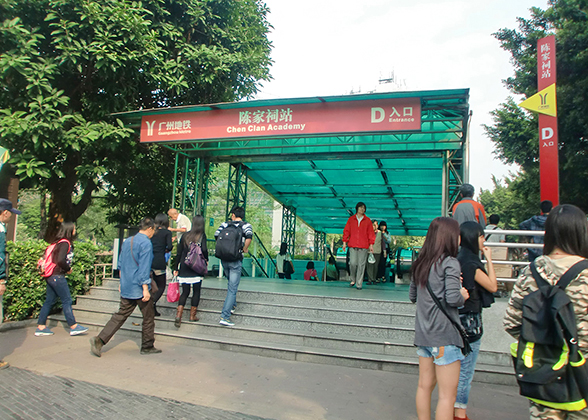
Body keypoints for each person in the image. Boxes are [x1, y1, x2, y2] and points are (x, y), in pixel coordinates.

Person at [504, 204, 588, 420]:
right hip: (583, 376)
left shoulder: (530, 273)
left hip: (543, 376)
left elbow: (511, 323)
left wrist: (542, 342)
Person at [409, 217, 469, 420]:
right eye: (457, 234)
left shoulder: (420, 263)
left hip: (423, 336)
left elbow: (413, 296)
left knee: (424, 387)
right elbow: (453, 299)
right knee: (447, 396)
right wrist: (463, 294)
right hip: (444, 338)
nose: (459, 238)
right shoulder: (450, 263)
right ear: (449, 237)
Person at [90, 217, 161, 357]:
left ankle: (100, 339)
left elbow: (120, 264)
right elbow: (144, 268)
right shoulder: (146, 243)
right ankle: (147, 346)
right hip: (139, 287)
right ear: (150, 228)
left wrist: (121, 283)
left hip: (127, 284)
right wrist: (145, 288)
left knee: (121, 314)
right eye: (154, 229)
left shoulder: (128, 241)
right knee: (148, 317)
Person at [454, 221, 498, 420]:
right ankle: (460, 412)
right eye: (481, 236)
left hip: (455, 317)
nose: (484, 239)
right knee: (466, 371)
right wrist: (489, 259)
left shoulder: (456, 259)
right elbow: (492, 286)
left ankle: (451, 407)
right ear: (473, 238)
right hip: (470, 322)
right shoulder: (472, 263)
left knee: (454, 368)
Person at [35, 222, 89, 337]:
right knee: (67, 300)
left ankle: (41, 326)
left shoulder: (57, 243)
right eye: (74, 228)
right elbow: (60, 260)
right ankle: (73, 326)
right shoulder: (65, 243)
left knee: (49, 301)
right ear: (70, 230)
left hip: (50, 275)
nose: (75, 230)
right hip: (57, 275)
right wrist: (68, 269)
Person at [215, 206, 253, 327]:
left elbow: (217, 236)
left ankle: (232, 304)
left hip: (224, 259)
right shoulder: (246, 225)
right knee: (232, 288)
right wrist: (244, 248)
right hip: (236, 259)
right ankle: (225, 316)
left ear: (233, 215)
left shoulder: (225, 224)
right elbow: (249, 237)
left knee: (231, 284)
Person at [172, 215, 208, 327]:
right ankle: (192, 316)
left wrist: (175, 267)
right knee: (196, 291)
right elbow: (205, 250)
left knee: (185, 292)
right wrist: (206, 260)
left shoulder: (185, 236)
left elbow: (179, 253)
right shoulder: (201, 236)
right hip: (196, 266)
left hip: (184, 266)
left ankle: (179, 315)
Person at [0, 198, 20, 369]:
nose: (11, 217)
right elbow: (0, 257)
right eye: (10, 214)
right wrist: (1, 279)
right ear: (5, 212)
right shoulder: (0, 230)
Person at [342, 202, 375, 290]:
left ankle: (359, 283)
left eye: (364, 208)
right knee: (352, 263)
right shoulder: (351, 219)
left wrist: (371, 245)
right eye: (360, 208)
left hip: (363, 246)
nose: (362, 209)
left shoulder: (367, 220)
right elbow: (346, 231)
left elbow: (371, 233)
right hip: (352, 245)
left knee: (361, 265)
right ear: (357, 208)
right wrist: (344, 242)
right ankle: (353, 279)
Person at [150, 213, 172, 317]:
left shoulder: (152, 232)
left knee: (152, 285)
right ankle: (151, 303)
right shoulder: (167, 232)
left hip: (149, 260)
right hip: (159, 261)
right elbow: (170, 246)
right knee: (161, 286)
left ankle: (153, 309)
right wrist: (166, 249)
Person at [367, 220, 383, 285]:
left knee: (375, 266)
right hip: (369, 251)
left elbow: (383, 243)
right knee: (369, 266)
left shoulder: (380, 233)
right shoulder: (367, 232)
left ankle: (374, 278)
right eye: (373, 225)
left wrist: (384, 251)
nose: (374, 226)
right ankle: (370, 279)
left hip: (377, 251)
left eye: (376, 225)